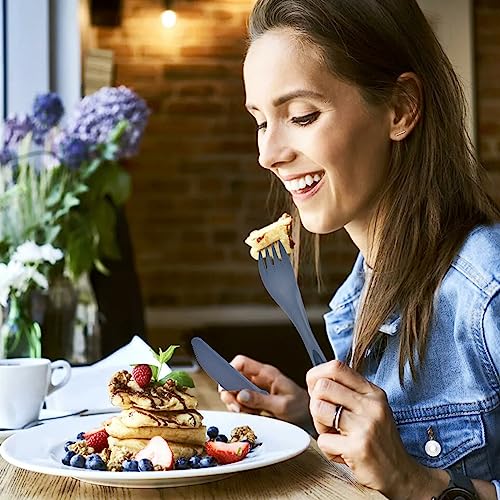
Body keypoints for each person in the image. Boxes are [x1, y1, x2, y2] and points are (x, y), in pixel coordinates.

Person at [218, 1, 500, 498]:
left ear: (400, 108)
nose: (267, 154)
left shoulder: (487, 288)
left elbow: (406, 477)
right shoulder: (358, 297)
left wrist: (419, 483)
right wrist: (309, 420)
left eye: (302, 115)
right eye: (261, 121)